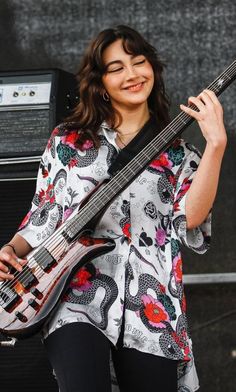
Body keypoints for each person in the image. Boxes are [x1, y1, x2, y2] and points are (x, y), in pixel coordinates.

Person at [0, 25, 227, 392]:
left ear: (152, 69)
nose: (132, 74)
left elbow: (190, 219)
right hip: (75, 292)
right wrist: (11, 250)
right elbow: (44, 214)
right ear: (100, 81)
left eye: (139, 62)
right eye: (116, 67)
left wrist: (215, 145)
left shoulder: (180, 156)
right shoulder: (69, 140)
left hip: (150, 304)